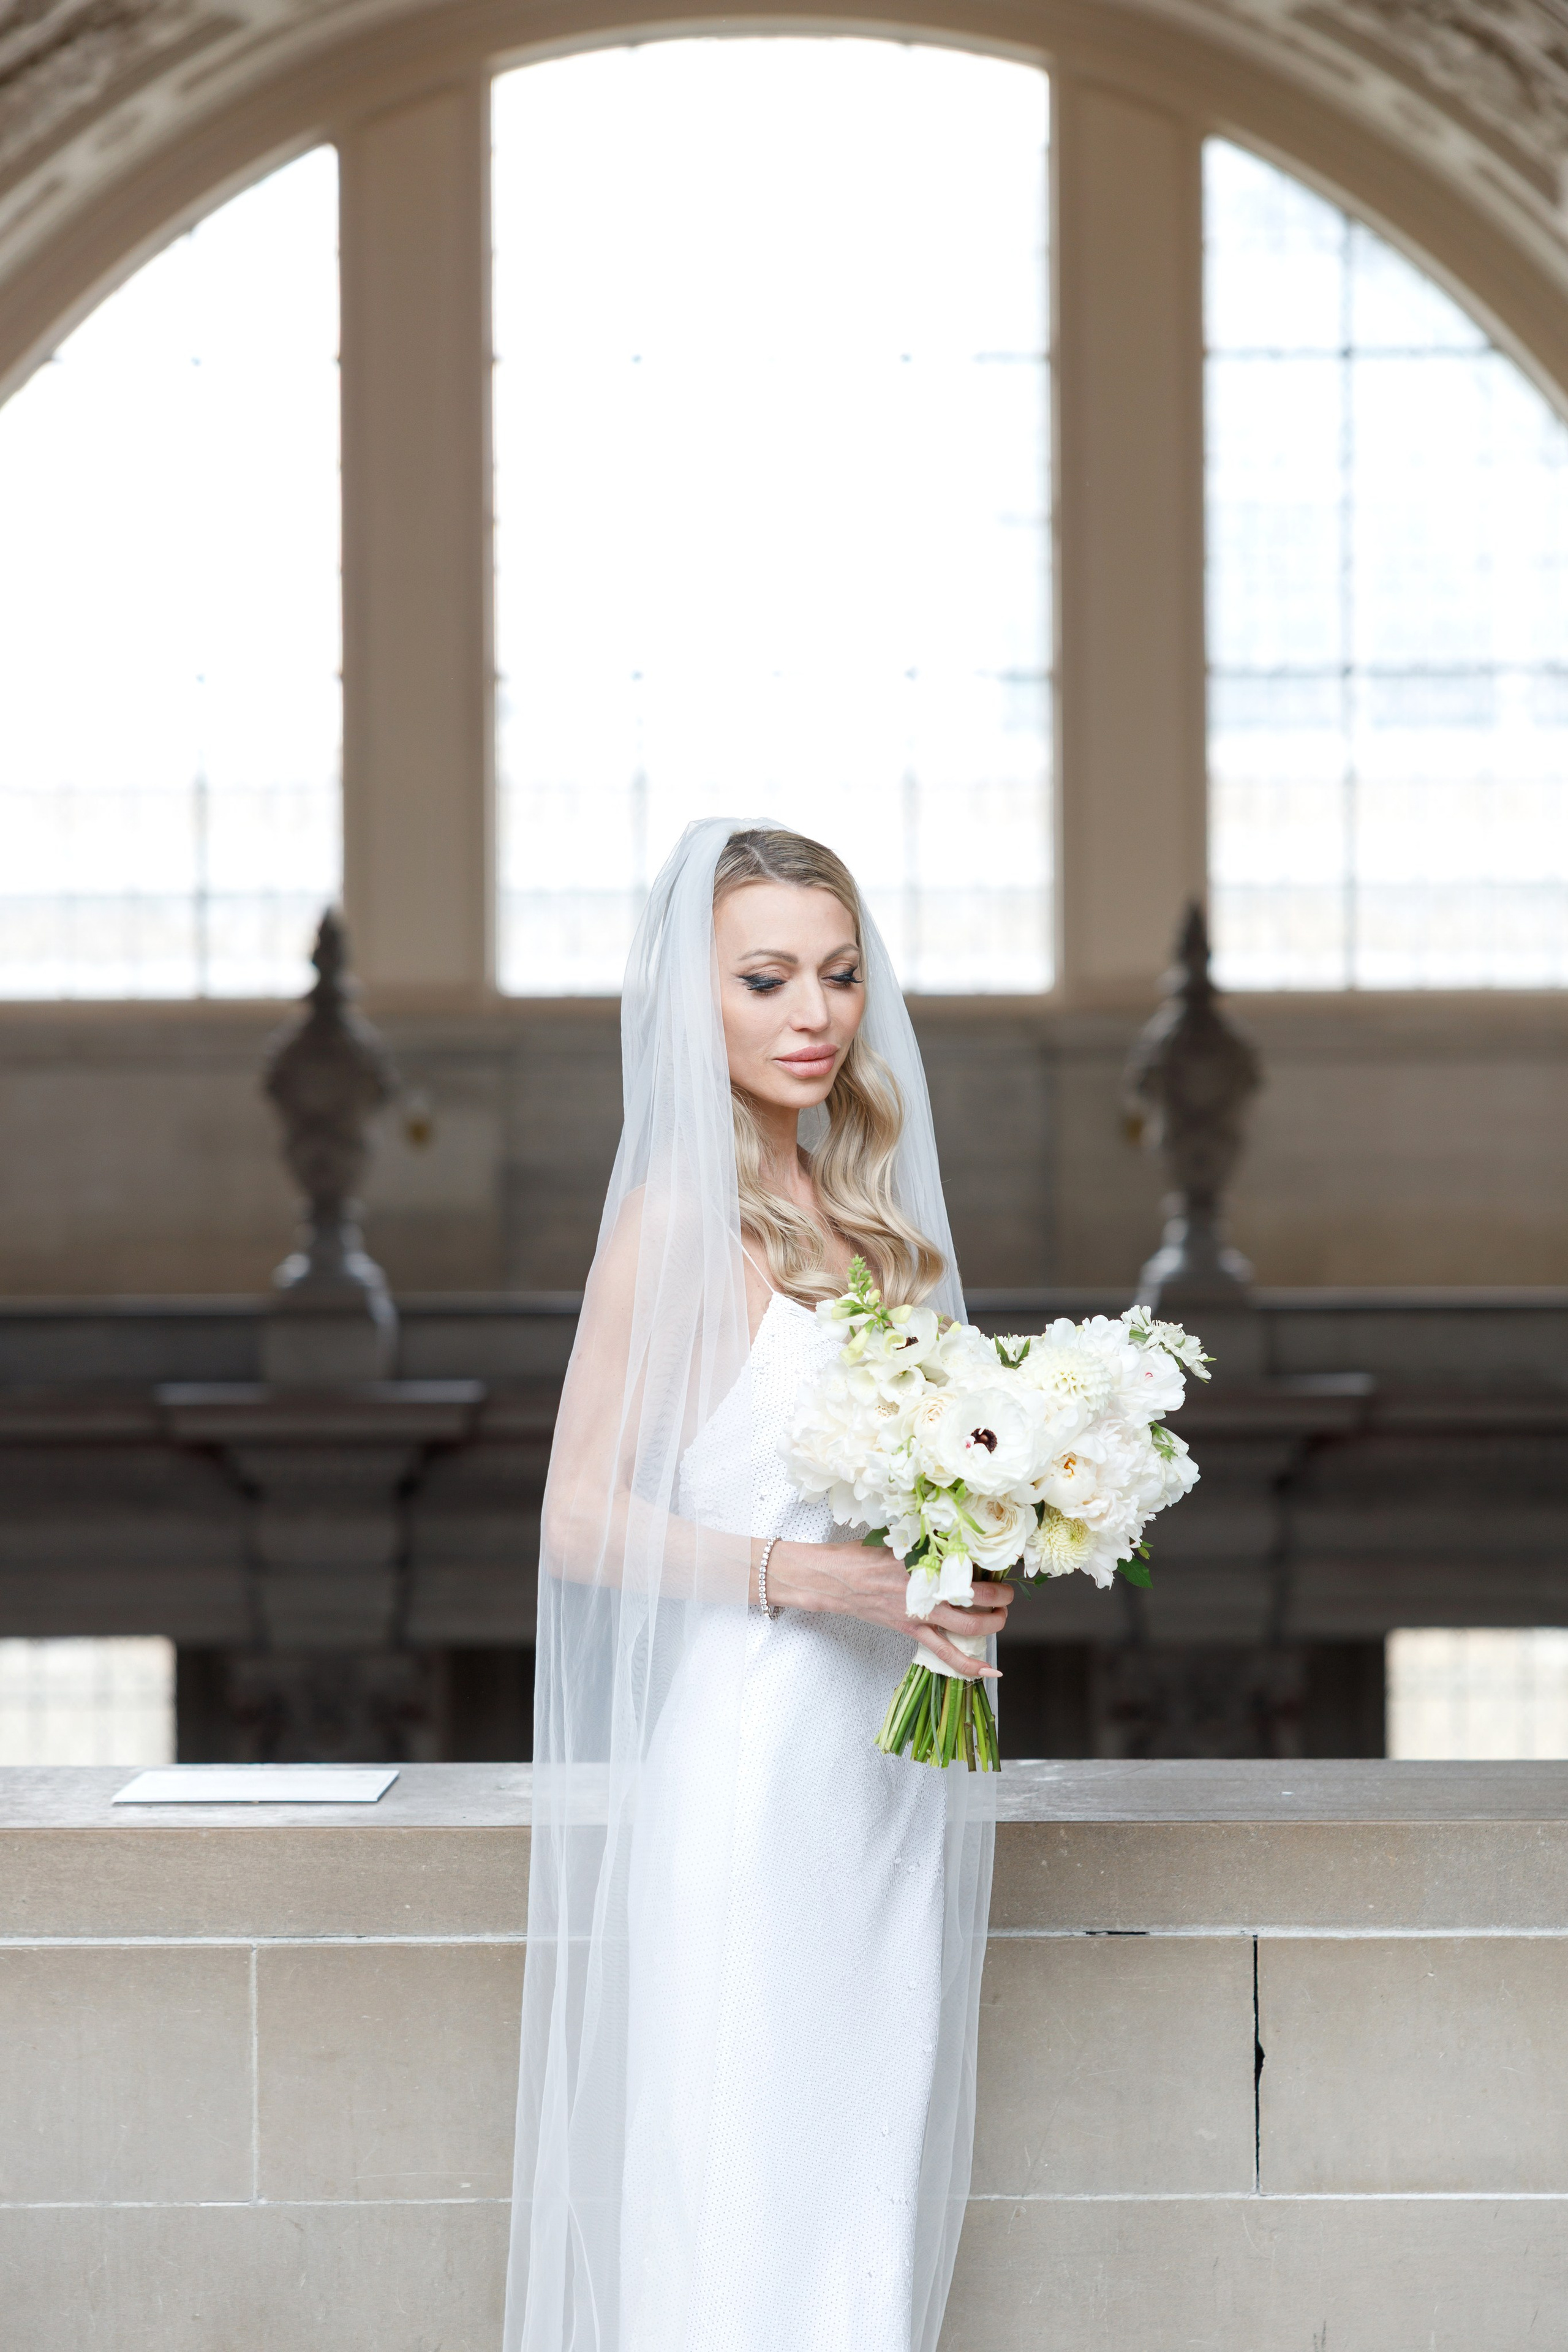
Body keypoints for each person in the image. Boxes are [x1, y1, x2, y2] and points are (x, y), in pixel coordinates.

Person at [505, 820, 1011, 2352]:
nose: (815, 1015)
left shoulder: (873, 1226)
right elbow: (575, 1519)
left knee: (856, 2167)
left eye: (840, 975)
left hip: (878, 1787)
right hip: (747, 1774)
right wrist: (807, 1577)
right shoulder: (673, 1224)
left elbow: (919, 1501)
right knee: (741, 2178)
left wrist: (964, 1582)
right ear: (688, 1003)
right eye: (767, 978)